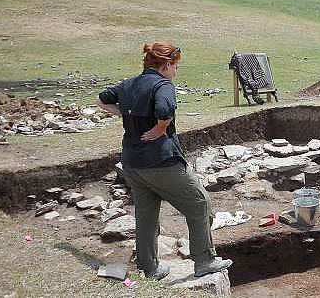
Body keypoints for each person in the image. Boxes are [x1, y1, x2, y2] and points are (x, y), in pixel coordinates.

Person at [96, 42, 232, 280]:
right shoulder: (163, 85)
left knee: (146, 217)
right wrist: (160, 128)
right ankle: (204, 261)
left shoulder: (128, 84)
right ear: (167, 64)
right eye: (175, 66)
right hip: (160, 162)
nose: (176, 71)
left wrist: (124, 114)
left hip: (132, 163)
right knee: (200, 204)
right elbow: (164, 109)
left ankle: (150, 269)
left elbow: (101, 99)